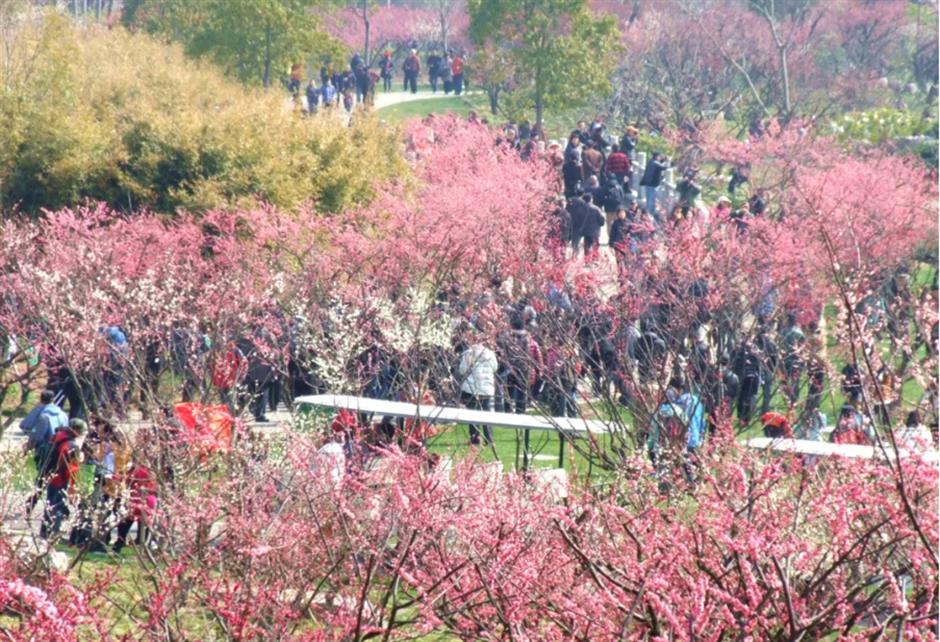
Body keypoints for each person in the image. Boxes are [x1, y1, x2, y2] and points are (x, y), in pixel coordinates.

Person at [22, 389, 69, 515]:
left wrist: (29, 448)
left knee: (42, 478)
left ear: (41, 399)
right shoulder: (63, 415)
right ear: (53, 399)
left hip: (46, 452)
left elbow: (37, 436)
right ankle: (55, 507)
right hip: (61, 451)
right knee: (55, 479)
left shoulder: (44, 416)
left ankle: (33, 503)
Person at [40, 418, 86, 540]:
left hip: (50, 475)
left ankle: (44, 531)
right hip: (62, 479)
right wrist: (72, 486)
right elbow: (71, 468)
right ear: (77, 430)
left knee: (50, 504)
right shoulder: (71, 445)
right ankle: (52, 533)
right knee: (58, 507)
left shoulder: (57, 436)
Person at [458, 332, 498, 446]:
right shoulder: (490, 354)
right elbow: (495, 368)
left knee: (473, 414)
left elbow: (462, 370)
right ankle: (489, 439)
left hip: (472, 387)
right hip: (486, 387)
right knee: (486, 414)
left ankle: (475, 438)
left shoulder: (468, 354)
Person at [639, 152, 668, 221]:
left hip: (648, 183)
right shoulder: (655, 163)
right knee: (651, 199)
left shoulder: (651, 161)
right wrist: (668, 161)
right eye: (659, 156)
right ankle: (649, 214)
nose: (660, 158)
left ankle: (648, 213)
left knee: (649, 198)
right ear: (657, 157)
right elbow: (664, 167)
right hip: (652, 184)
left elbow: (659, 164)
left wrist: (664, 160)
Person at [580, 193, 605, 260]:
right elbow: (602, 220)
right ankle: (595, 259)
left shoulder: (581, 208)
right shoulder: (596, 209)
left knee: (587, 246)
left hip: (585, 231)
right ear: (591, 199)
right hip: (595, 231)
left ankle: (587, 259)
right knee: (595, 246)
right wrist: (600, 224)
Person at [609, 208, 629, 273]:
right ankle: (620, 273)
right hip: (617, 244)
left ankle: (627, 273)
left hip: (626, 244)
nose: (622, 214)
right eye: (620, 213)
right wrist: (611, 244)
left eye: (623, 213)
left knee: (626, 259)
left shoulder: (628, 222)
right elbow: (612, 234)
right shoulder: (615, 223)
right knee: (619, 259)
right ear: (618, 214)